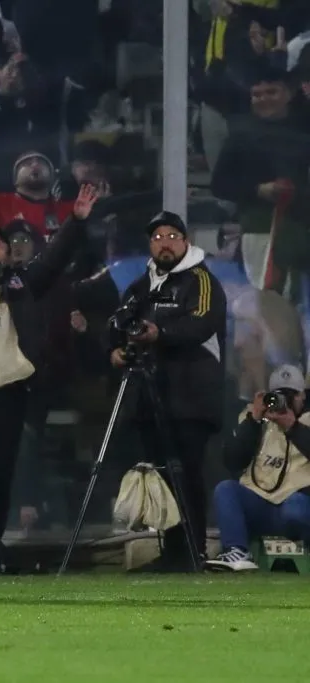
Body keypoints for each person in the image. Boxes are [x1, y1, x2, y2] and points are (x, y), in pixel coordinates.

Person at [0, 185, 101, 573]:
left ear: (8, 254)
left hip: (9, 396)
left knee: (2, 477)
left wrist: (77, 220)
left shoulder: (21, 286)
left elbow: (54, 259)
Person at [110, 210, 227, 571]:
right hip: (150, 394)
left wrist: (159, 333)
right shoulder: (141, 285)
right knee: (161, 473)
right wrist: (114, 350)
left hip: (193, 396)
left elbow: (202, 324)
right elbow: (118, 322)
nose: (165, 243)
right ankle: (173, 552)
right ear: (150, 244)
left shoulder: (201, 280)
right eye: (158, 237)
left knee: (187, 472)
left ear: (186, 242)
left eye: (172, 236)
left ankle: (193, 553)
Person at [206, 364, 310, 571]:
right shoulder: (256, 421)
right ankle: (237, 551)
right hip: (260, 505)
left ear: (302, 397)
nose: (284, 402)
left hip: (298, 507)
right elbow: (232, 460)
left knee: (295, 508)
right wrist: (254, 419)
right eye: (279, 396)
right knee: (225, 490)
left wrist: (292, 426)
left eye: (291, 396)